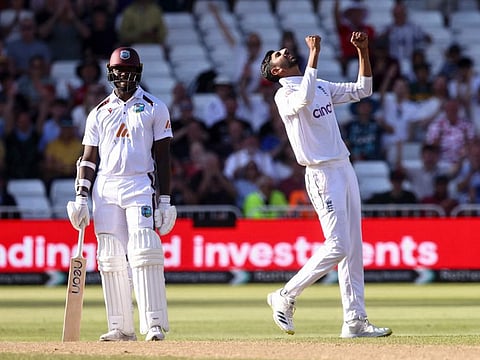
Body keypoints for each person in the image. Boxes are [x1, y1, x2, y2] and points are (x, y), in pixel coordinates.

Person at [260, 32, 392, 337]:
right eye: (278, 54)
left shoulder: (319, 84)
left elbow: (364, 89)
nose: (284, 51)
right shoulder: (284, 94)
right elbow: (304, 99)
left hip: (343, 167)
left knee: (353, 248)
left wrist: (363, 52)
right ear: (276, 71)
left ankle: (355, 320)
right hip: (320, 173)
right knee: (337, 245)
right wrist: (314, 55)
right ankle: (286, 294)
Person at [66, 47, 176, 342]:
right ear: (111, 73)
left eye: (129, 71)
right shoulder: (99, 112)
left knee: (144, 251)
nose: (124, 76)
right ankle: (120, 326)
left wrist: (164, 200)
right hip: (105, 188)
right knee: (111, 256)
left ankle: (153, 323)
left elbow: (163, 158)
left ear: (138, 72)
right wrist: (81, 196)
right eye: (119, 71)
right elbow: (88, 159)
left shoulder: (155, 107)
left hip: (140, 184)